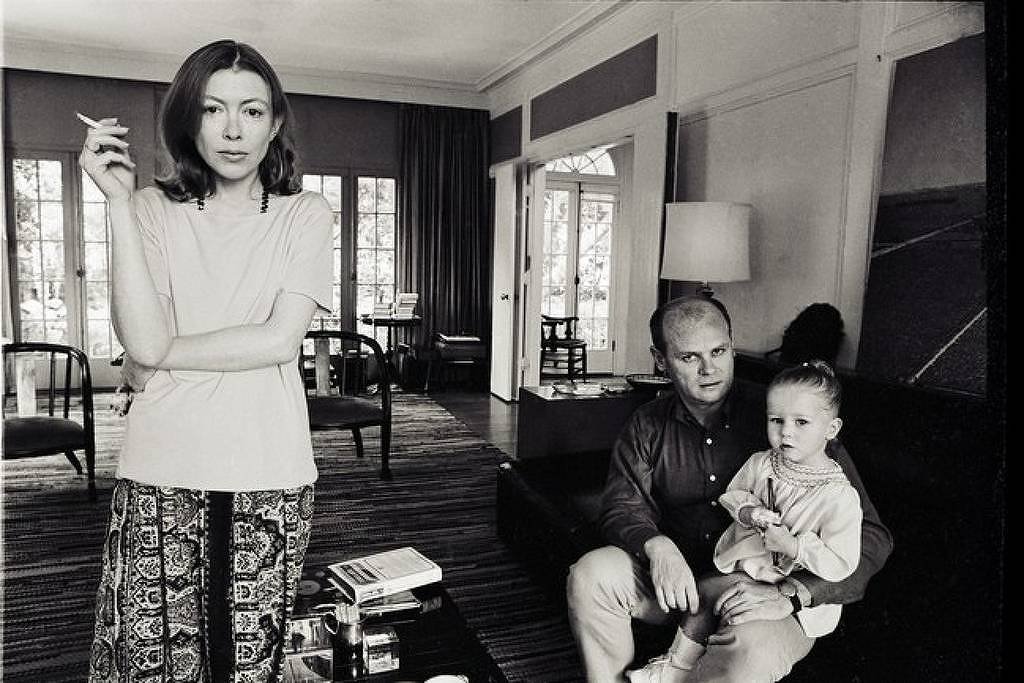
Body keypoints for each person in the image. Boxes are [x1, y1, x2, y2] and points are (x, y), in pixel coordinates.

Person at [79, 39, 334, 683]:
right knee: (148, 663)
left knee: (246, 664)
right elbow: (141, 336)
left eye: (252, 111)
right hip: (162, 461)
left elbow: (278, 341)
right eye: (213, 109)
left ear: (275, 123)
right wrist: (117, 203)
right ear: (189, 119)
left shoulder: (305, 214)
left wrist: (159, 356)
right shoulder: (148, 209)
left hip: (269, 464)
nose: (232, 130)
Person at [566, 295, 893, 682]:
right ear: (660, 360)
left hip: (764, 592)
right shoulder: (647, 424)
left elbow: (873, 537)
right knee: (591, 575)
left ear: (732, 346)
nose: (709, 369)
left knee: (749, 653)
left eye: (718, 351)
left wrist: (792, 593)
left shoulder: (786, 415)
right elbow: (621, 507)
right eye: (689, 357)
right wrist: (656, 545)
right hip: (679, 584)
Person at [628, 360, 863, 681]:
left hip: (792, 593)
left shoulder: (839, 496)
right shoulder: (763, 463)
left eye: (801, 422)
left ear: (831, 429)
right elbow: (733, 494)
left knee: (739, 625)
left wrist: (794, 547)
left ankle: (686, 672)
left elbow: (842, 563)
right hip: (751, 571)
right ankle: (675, 666)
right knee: (706, 590)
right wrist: (748, 511)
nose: (786, 432)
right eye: (776, 420)